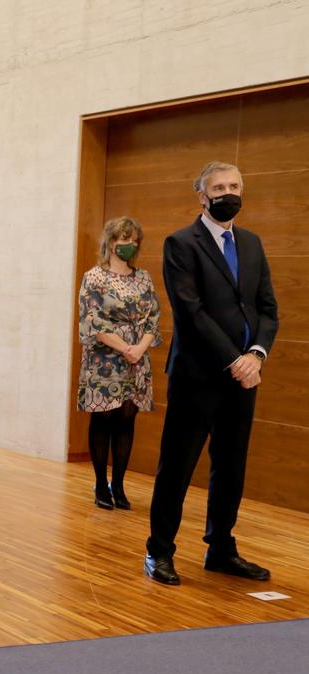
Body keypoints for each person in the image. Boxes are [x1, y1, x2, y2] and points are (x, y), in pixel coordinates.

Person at [144, 162, 278, 586]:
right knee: (178, 466)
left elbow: (267, 308)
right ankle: (159, 551)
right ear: (202, 196)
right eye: (218, 187)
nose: (227, 193)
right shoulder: (181, 243)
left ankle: (221, 547)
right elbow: (191, 312)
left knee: (231, 466)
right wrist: (234, 358)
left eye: (234, 185)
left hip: (244, 377)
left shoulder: (253, 244)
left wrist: (255, 353)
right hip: (197, 377)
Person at [77, 217, 160, 510]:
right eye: (125, 238)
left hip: (137, 359)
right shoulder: (95, 277)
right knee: (104, 419)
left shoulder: (144, 278)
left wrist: (139, 349)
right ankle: (100, 483)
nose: (130, 244)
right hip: (104, 360)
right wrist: (125, 347)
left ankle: (119, 485)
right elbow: (93, 321)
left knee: (127, 419)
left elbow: (153, 319)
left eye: (135, 239)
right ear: (111, 242)